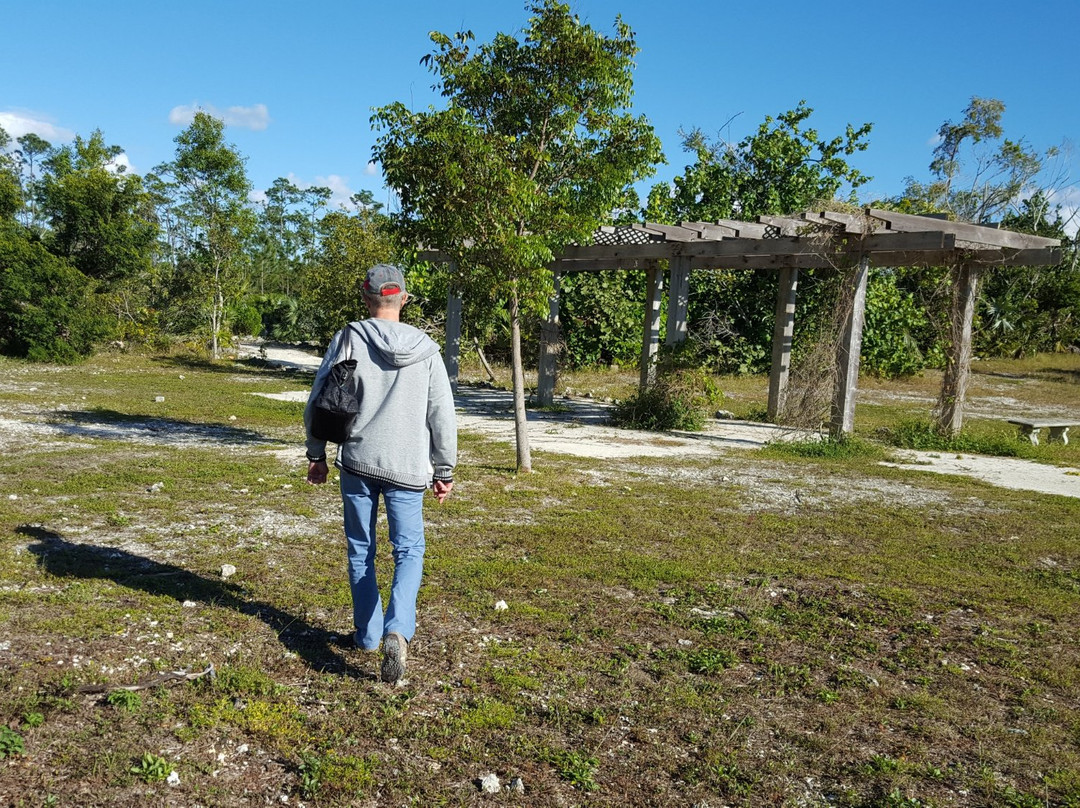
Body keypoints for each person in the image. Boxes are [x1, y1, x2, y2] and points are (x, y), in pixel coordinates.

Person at [304, 264, 457, 684]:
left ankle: (368, 636)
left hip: (357, 461)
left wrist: (316, 453)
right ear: (403, 299)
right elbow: (442, 415)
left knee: (360, 550)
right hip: (407, 469)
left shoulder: (349, 337)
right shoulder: (426, 348)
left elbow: (319, 398)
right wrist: (444, 470)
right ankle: (397, 630)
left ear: (366, 298)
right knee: (409, 550)